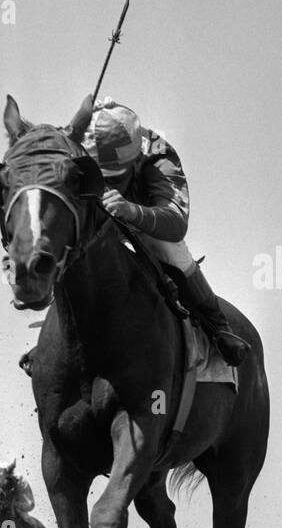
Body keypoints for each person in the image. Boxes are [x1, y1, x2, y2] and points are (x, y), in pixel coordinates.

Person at [83, 99, 249, 366]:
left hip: (145, 219)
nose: (108, 182)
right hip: (97, 215)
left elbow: (175, 222)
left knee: (171, 250)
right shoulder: (78, 141)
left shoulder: (159, 153)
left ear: (135, 157)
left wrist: (131, 211)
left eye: (115, 174)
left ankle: (218, 328)